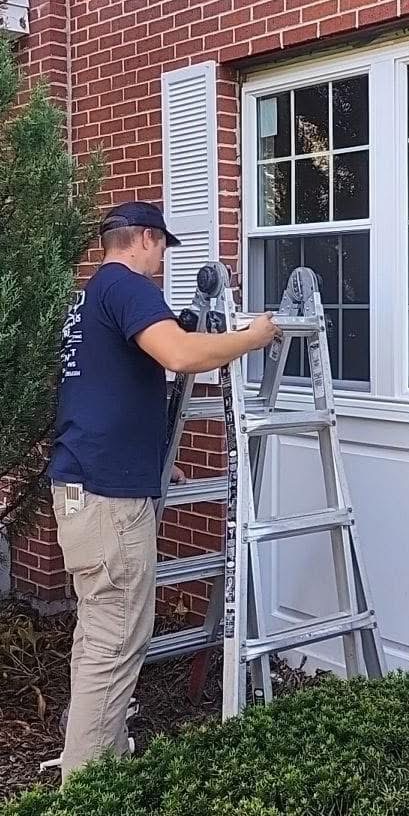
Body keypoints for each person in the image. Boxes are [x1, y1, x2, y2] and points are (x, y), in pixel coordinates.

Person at [47, 201, 280, 780]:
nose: (162, 261)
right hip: (107, 498)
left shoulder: (89, 297)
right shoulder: (128, 288)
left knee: (99, 633)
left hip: (84, 483)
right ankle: (86, 786)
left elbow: (98, 389)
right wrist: (253, 337)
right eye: (162, 249)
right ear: (146, 239)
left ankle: (98, 756)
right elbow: (179, 354)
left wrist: (149, 459)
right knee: (116, 638)